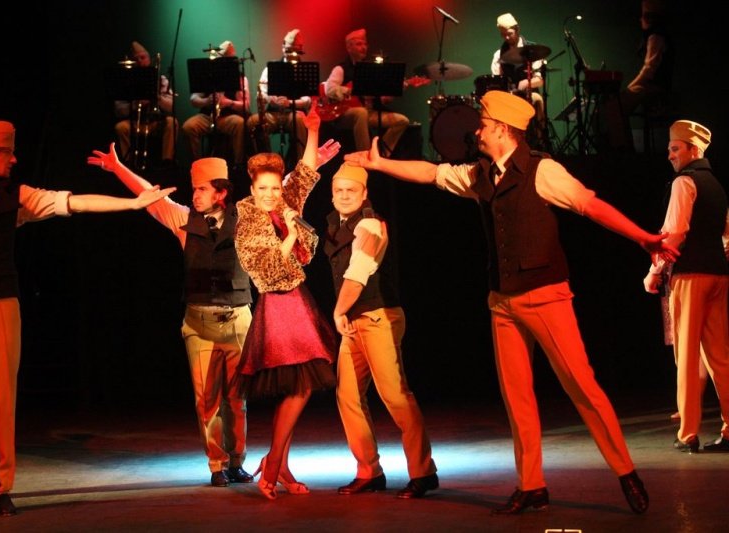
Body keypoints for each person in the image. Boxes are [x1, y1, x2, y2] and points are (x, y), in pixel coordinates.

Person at [344, 91, 681, 514]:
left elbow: (590, 205)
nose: (477, 132)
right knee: (517, 396)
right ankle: (532, 485)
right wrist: (381, 165)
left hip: (545, 296)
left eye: (483, 126)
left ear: (503, 130)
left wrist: (643, 238)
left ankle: (625, 471)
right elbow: (431, 173)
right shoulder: (480, 173)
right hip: (502, 301)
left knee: (582, 386)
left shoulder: (543, 170)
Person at [0, 120, 173, 519]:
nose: (14, 160)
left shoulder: (19, 196)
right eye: (8, 154)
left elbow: (73, 203)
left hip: (2, 301)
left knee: (3, 398)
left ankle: (2, 488)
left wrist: (131, 204)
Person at [86, 149, 257, 486]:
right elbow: (150, 198)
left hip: (238, 319)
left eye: (202, 189)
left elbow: (276, 191)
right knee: (206, 400)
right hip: (199, 323)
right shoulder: (184, 220)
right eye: (194, 189)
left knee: (237, 399)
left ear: (221, 193)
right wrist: (118, 168)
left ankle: (237, 460)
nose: (195, 195)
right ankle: (217, 464)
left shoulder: (246, 219)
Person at [234, 107, 337, 500]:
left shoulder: (284, 204)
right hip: (278, 306)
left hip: (298, 302)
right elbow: (267, 269)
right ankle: (273, 463)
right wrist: (291, 235)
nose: (271, 195)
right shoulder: (247, 221)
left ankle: (279, 464)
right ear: (252, 188)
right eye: (263, 189)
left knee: (300, 386)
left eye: (276, 188)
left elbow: (305, 173)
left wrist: (313, 130)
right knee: (300, 388)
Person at [324, 163, 438, 498]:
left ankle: (423, 472)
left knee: (395, 396)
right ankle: (369, 471)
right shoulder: (335, 224)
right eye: (339, 190)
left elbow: (358, 274)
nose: (345, 196)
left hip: (377, 318)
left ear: (365, 193)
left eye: (351, 190)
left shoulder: (370, 225)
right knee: (348, 395)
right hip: (354, 320)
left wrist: (338, 311)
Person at [642, 120, 729, 453]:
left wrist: (655, 272)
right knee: (720, 357)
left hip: (690, 276)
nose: (670, 155)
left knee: (688, 355)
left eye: (675, 148)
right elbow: (727, 236)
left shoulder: (685, 182)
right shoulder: (717, 186)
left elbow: (674, 233)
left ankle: (688, 433)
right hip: (718, 275)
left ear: (693, 150)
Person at [323, 28, 409, 157]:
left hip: (370, 112)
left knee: (402, 120)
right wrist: (351, 91)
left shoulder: (371, 68)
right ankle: (365, 157)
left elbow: (381, 98)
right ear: (349, 47)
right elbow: (329, 89)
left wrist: (392, 92)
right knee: (361, 112)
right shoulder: (341, 68)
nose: (363, 47)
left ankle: (381, 154)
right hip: (345, 114)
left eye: (365, 44)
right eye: (359, 44)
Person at [603, 0, 674, 151]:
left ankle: (621, 148)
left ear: (649, 18)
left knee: (614, 106)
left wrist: (631, 86)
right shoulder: (657, 35)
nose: (640, 19)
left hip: (654, 86)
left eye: (643, 16)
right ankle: (625, 145)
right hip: (654, 84)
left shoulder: (656, 37)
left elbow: (649, 69)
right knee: (618, 105)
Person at [181, 40, 250, 170]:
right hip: (207, 116)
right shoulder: (207, 74)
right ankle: (196, 165)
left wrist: (229, 102)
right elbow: (193, 99)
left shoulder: (240, 78)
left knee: (240, 124)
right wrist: (206, 101)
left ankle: (238, 165)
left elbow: (246, 106)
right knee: (188, 127)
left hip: (227, 117)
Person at [246, 29, 310, 162]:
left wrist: (289, 102)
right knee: (253, 122)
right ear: (283, 47)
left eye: (295, 49)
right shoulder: (271, 68)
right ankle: (266, 161)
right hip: (273, 113)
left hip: (294, 113)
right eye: (289, 49)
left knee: (299, 121)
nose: (292, 53)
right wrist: (270, 98)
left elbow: (308, 99)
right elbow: (261, 91)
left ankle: (301, 163)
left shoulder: (305, 69)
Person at [113, 41, 178, 166]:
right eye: (136, 59)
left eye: (142, 58)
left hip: (155, 122)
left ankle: (167, 162)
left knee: (172, 122)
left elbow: (171, 107)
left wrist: (156, 97)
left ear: (149, 58)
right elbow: (118, 110)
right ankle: (127, 163)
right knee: (120, 127)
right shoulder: (125, 81)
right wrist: (135, 104)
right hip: (134, 122)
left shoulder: (161, 80)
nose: (140, 61)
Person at [489, 13, 547, 149]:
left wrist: (527, 83)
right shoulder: (498, 55)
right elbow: (497, 80)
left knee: (537, 99)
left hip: (529, 93)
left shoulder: (532, 50)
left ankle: (539, 140)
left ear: (517, 29)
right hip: (509, 95)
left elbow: (540, 80)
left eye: (509, 34)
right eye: (503, 35)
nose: (507, 37)